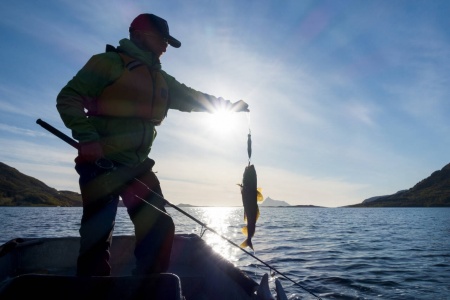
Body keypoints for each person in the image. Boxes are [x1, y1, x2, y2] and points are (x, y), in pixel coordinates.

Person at [56, 13, 249, 276]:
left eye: (167, 41)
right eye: (161, 39)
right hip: (100, 164)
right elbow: (68, 97)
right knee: (97, 235)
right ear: (138, 34)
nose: (165, 46)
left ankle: (149, 286)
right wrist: (88, 139)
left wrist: (231, 106)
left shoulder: (162, 79)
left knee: (160, 227)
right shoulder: (108, 63)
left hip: (138, 166)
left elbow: (192, 97)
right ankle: (92, 290)